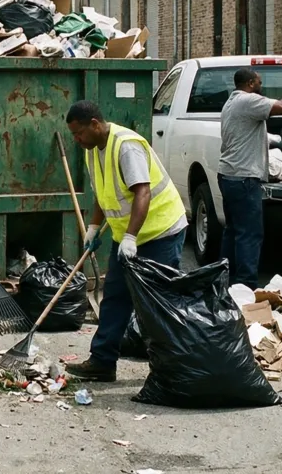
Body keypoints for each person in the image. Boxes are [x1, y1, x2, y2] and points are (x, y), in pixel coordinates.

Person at [62, 101, 188, 382]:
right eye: (73, 135)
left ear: (95, 124)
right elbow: (102, 192)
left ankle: (169, 369)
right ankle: (102, 362)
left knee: (156, 303)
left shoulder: (126, 146)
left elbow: (142, 193)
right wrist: (94, 227)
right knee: (115, 298)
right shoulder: (93, 151)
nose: (77, 139)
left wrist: (131, 237)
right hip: (127, 236)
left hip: (161, 231)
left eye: (79, 132)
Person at [218, 69, 282, 288]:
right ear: (250, 84)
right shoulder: (249, 101)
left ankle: (224, 282)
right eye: (259, 81)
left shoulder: (232, 102)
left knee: (233, 232)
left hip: (228, 176)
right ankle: (246, 287)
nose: (261, 84)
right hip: (244, 179)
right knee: (249, 235)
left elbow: (244, 132)